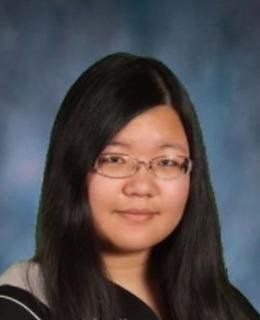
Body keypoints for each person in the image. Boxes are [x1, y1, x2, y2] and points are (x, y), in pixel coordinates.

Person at [0, 53, 258, 320]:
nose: (142, 186)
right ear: (73, 167)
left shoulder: (226, 307)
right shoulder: (23, 304)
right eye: (115, 160)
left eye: (167, 162)